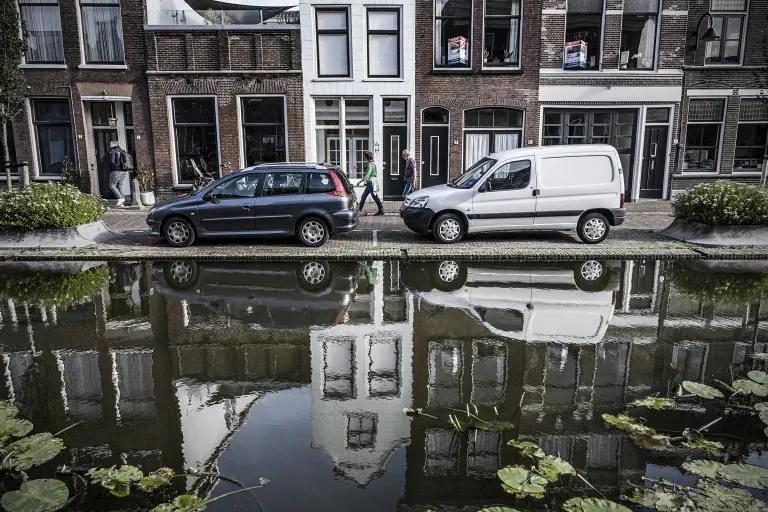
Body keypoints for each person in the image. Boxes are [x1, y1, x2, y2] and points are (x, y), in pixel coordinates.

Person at [358, 150, 384, 216]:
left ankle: (381, 210)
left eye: (365, 157)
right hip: (372, 182)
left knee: (374, 197)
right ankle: (359, 210)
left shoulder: (370, 165)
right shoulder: (372, 164)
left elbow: (367, 174)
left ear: (366, 157)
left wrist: (360, 181)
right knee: (364, 196)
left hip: (371, 183)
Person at [108, 141, 132, 207]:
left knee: (112, 185)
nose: (110, 145)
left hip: (116, 170)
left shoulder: (113, 150)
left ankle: (120, 198)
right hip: (124, 171)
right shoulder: (122, 150)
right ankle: (122, 201)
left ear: (114, 144)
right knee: (120, 185)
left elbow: (112, 162)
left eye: (110, 144)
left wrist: (111, 170)